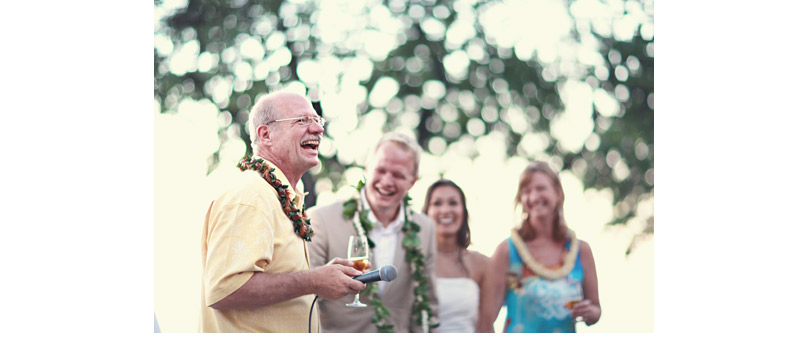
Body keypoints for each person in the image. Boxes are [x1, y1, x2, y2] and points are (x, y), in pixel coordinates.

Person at [199, 91, 366, 333]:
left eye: (318, 121)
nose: (318, 130)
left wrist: (323, 276)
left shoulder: (279, 197)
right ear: (265, 134)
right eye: (302, 120)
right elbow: (224, 288)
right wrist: (313, 281)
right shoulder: (252, 195)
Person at [307, 132, 439, 333]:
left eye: (398, 175)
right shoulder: (321, 220)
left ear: (412, 182)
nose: (387, 181)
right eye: (381, 170)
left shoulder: (425, 228)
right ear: (367, 169)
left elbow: (427, 303)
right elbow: (306, 296)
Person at [478, 162, 601, 333]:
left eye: (541, 188)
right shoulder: (507, 251)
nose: (534, 197)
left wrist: (589, 312)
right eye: (527, 191)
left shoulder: (581, 250)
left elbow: (596, 310)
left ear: (557, 193)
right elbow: (486, 318)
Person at [422, 179, 490, 333]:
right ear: (426, 212)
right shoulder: (414, 261)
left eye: (453, 203)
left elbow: (486, 327)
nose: (445, 210)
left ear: (463, 211)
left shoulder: (482, 264)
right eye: (437, 203)